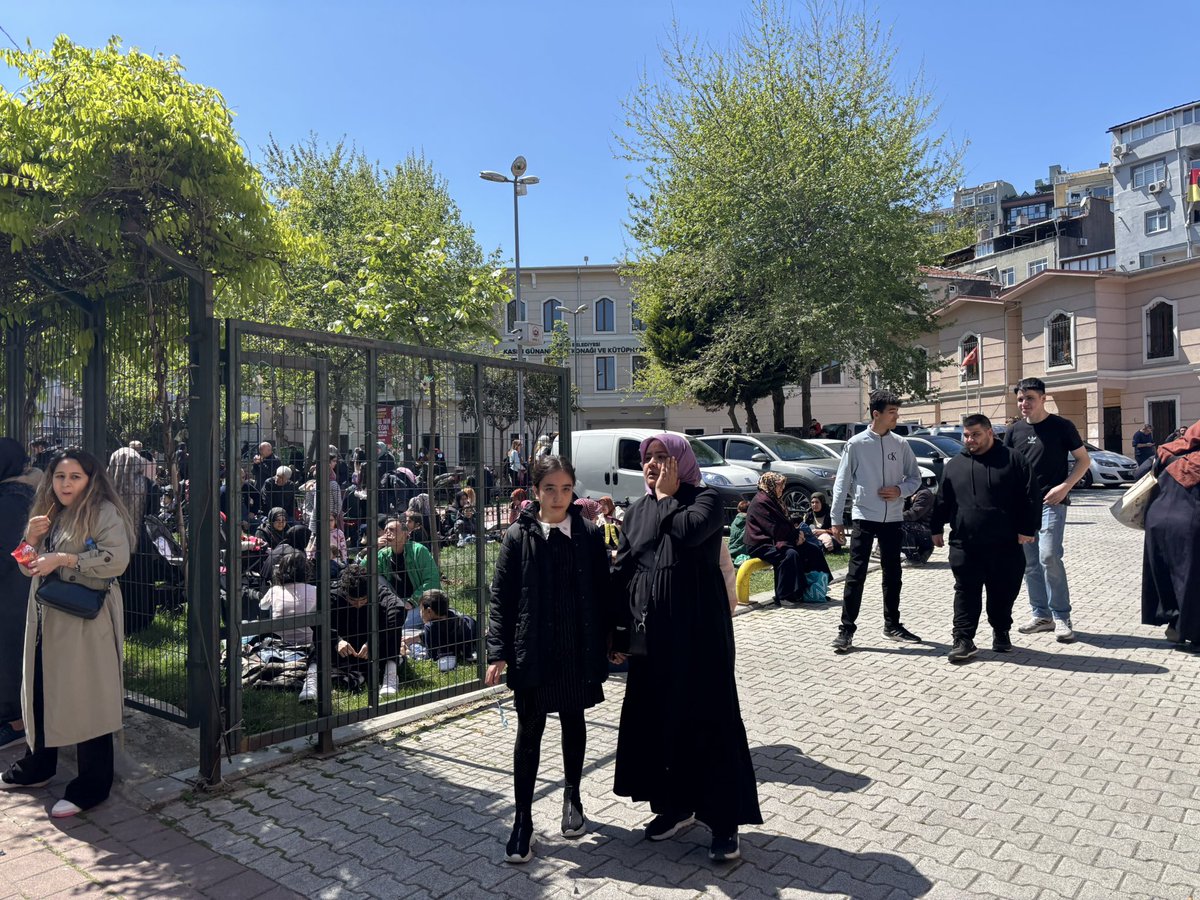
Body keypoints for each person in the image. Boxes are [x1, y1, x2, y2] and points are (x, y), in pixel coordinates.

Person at [611, 434, 761, 864]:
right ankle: (674, 807)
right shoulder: (636, 510)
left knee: (709, 721)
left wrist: (670, 497)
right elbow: (624, 568)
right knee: (660, 721)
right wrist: (617, 634)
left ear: (681, 461)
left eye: (663, 457)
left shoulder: (706, 500)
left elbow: (690, 531)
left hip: (700, 636)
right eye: (648, 458)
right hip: (652, 640)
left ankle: (724, 823)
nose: (655, 465)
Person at [486, 455, 611, 864]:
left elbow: (603, 592)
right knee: (530, 730)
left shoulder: (590, 535)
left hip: (578, 645)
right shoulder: (518, 536)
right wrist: (497, 651)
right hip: (534, 648)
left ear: (574, 491)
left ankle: (573, 797)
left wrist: (613, 641)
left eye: (566, 489)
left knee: (574, 720)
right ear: (536, 492)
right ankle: (523, 820)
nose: (558, 497)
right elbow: (501, 598)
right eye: (550, 489)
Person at [1, 448, 134, 818]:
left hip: (85, 621)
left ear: (90, 479)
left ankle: (93, 784)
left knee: (89, 694)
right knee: (40, 689)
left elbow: (117, 560)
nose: (65, 484)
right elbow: (28, 567)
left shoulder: (103, 512)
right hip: (46, 618)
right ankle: (38, 766)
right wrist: (29, 539)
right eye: (60, 476)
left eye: (74, 477)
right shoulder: (48, 513)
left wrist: (64, 559)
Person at [931, 415, 1041, 663]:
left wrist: (1028, 529)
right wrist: (935, 528)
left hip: (1005, 543)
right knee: (965, 591)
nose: (970, 440)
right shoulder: (954, 465)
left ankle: (1001, 630)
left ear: (990, 433)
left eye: (976, 435)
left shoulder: (1014, 460)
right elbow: (943, 500)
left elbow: (1030, 496)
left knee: (1003, 591)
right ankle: (963, 639)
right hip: (965, 543)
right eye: (966, 435)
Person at [828, 390, 923, 653]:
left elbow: (914, 478)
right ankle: (846, 630)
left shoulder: (901, 444)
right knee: (856, 575)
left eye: (897, 411)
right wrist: (836, 519)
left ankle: (892, 625)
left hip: (892, 518)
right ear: (876, 414)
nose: (896, 417)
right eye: (892, 412)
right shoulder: (856, 444)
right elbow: (842, 483)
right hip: (864, 517)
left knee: (893, 573)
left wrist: (900, 490)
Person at [1004, 377, 1090, 643]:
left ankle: (1062, 616)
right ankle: (1041, 615)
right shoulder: (1014, 430)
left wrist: (1065, 487)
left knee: (1049, 556)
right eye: (1020, 398)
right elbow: (1006, 468)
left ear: (1043, 398)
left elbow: (1083, 461)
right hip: (1023, 507)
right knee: (1030, 563)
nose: (1024, 403)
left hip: (1052, 503)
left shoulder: (1061, 427)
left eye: (1029, 398)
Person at [1140, 420, 1200, 648]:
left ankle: (1174, 625)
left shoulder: (1169, 449)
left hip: (1157, 518)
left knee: (1169, 574)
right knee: (1190, 578)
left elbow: (1140, 473)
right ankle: (1193, 633)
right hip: (1189, 519)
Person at [0, 439, 40, 750]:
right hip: (20, 583)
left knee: (9, 655)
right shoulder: (24, 492)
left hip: (13, 588)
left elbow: (10, 551)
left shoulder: (13, 499)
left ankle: (14, 723)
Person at [322, 562, 408, 699]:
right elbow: (316, 618)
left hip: (372, 645)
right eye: (353, 600)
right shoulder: (333, 593)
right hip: (343, 646)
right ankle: (312, 676)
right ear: (345, 592)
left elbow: (399, 609)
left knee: (393, 625)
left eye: (363, 600)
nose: (358, 604)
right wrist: (336, 640)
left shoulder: (378, 591)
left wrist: (374, 641)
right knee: (319, 633)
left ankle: (390, 675)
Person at [745, 472, 810, 607]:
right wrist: (794, 538)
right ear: (769, 485)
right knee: (788, 555)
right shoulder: (761, 501)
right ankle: (783, 596)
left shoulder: (773, 499)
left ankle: (807, 590)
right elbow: (773, 527)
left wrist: (797, 535)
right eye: (779, 486)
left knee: (810, 549)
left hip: (774, 540)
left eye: (782, 486)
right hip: (760, 543)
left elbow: (785, 524)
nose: (782, 489)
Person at [377, 517, 441, 618]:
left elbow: (432, 580)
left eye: (392, 529)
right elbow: (364, 572)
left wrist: (412, 602)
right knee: (374, 576)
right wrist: (371, 549)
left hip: (419, 603)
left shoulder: (419, 551)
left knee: (397, 624)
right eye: (385, 530)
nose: (387, 533)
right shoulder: (382, 554)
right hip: (396, 602)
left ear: (405, 533)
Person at [419, 588, 477, 663]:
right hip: (463, 646)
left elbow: (430, 656)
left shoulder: (429, 627)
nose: (420, 612)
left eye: (421, 609)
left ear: (429, 611)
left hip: (446, 654)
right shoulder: (455, 616)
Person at [901, 484, 935, 565]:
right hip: (918, 529)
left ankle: (914, 557)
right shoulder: (908, 493)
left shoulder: (924, 494)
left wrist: (894, 516)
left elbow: (914, 514)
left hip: (927, 531)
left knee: (901, 525)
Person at [727, 500, 751, 566]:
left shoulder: (734, 521)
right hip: (742, 551)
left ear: (738, 510)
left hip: (730, 549)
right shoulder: (749, 523)